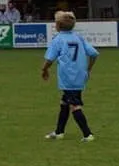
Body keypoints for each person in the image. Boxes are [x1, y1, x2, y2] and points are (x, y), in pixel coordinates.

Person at [42, 11, 97, 142]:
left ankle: (88, 134)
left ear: (58, 26)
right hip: (79, 76)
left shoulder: (58, 39)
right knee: (64, 103)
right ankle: (59, 132)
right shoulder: (78, 37)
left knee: (74, 105)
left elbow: (50, 59)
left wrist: (44, 69)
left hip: (68, 77)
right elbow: (94, 54)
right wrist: (88, 69)